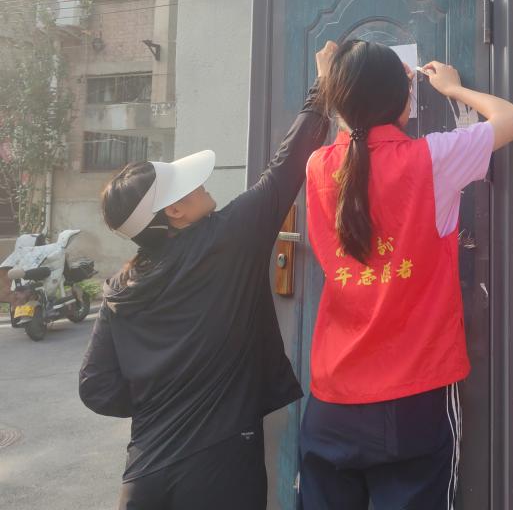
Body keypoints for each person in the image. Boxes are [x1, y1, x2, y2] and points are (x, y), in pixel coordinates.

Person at [79, 41, 337, 510]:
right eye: (186, 186)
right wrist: (323, 84)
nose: (199, 185)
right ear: (174, 211)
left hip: (144, 476)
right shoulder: (226, 240)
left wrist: (161, 405)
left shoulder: (121, 287)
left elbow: (95, 386)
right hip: (220, 467)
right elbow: (284, 170)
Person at [299, 40, 513, 510]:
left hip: (331, 400)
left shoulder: (317, 165)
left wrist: (329, 81)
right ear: (405, 101)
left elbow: (350, 133)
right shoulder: (432, 159)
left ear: (337, 101)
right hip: (413, 396)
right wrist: (454, 89)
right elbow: (512, 118)